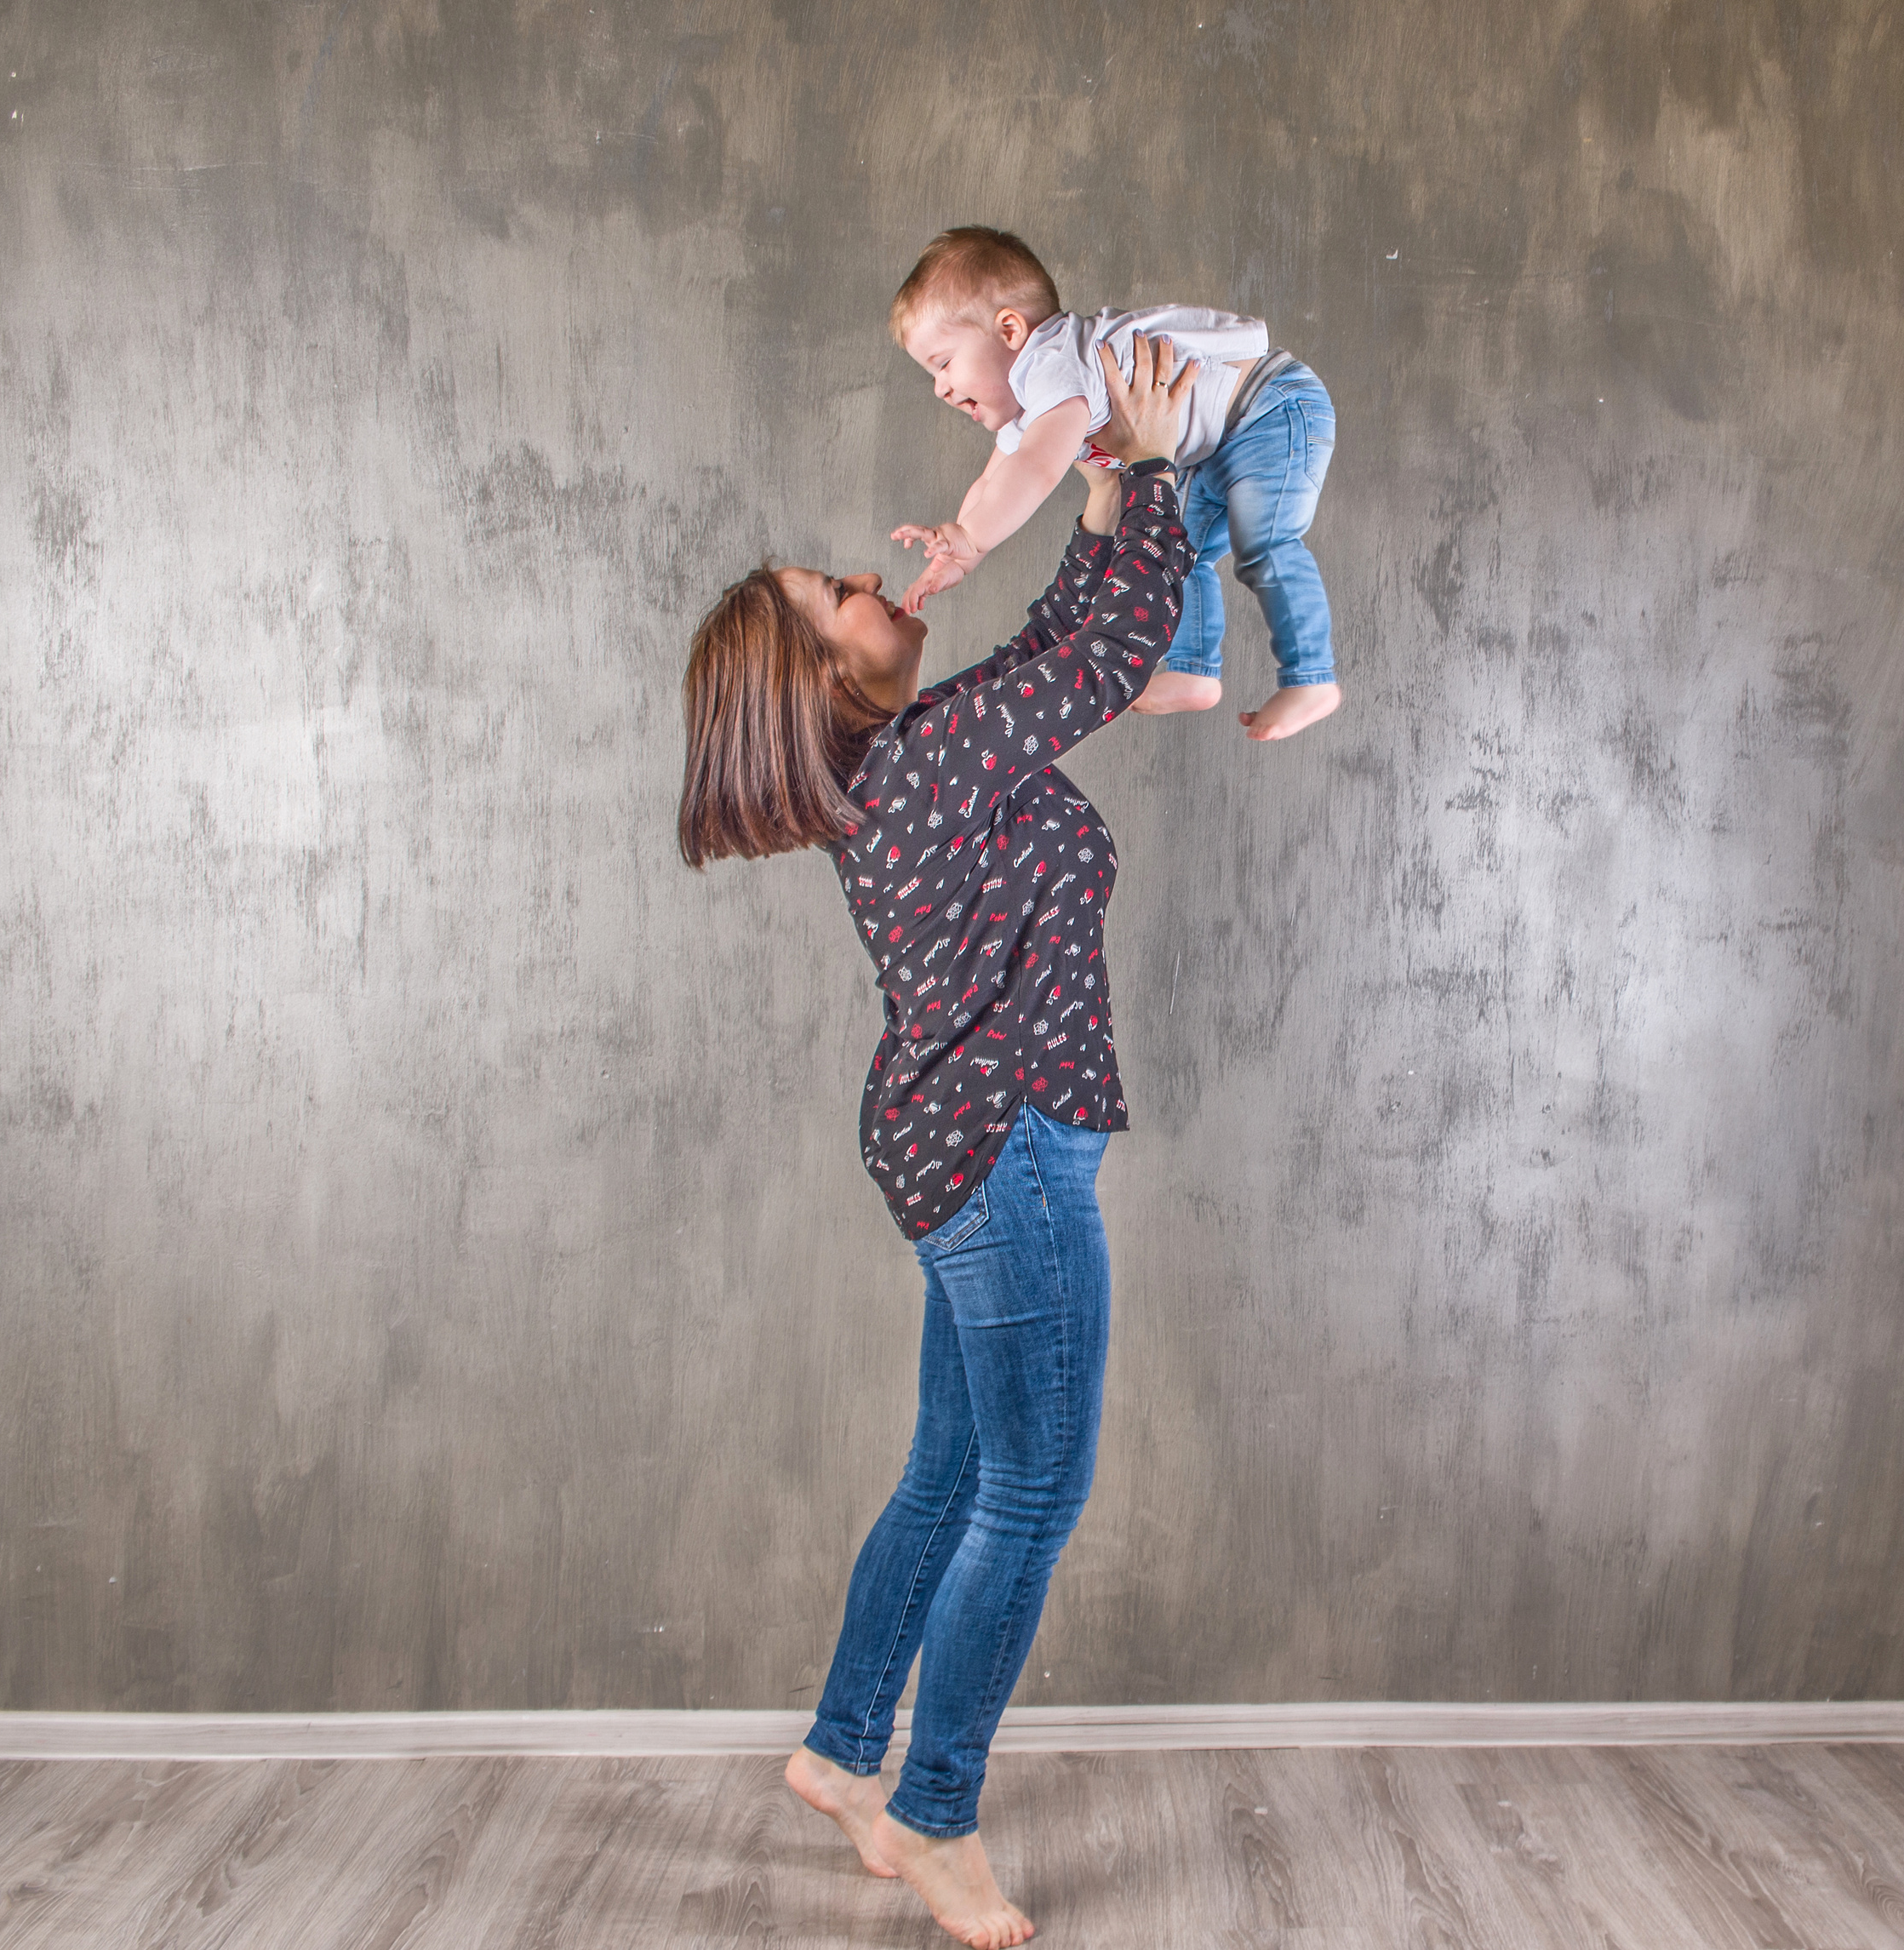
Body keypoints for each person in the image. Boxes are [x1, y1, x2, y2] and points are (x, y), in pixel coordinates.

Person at [678, 340, 1198, 1948]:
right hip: (1004, 1151)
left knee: (953, 1470)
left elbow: (1060, 643)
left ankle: (844, 1753)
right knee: (1033, 1492)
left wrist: (1099, 482)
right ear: (829, 676)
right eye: (842, 590)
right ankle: (936, 1809)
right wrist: (1157, 464)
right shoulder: (935, 760)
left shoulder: (902, 766)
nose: (873, 579)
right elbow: (1101, 654)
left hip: (945, 1142)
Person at [886, 225, 1341, 742]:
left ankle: (1311, 677)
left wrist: (973, 537)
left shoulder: (1052, 362)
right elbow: (994, 477)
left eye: (943, 364)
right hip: (1214, 445)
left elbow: (1036, 468)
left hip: (1269, 406)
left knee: (1263, 543)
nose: (941, 388)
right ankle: (1194, 669)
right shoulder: (1029, 399)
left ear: (1010, 331)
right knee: (1180, 554)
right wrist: (963, 551)